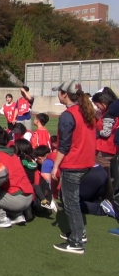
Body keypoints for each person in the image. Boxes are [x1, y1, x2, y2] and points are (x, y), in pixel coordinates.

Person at [50, 79, 97, 254]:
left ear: (64, 94)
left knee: (70, 202)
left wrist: (56, 166)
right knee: (72, 200)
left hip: (74, 163)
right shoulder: (86, 111)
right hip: (87, 162)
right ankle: (79, 233)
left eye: (59, 92)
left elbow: (64, 145)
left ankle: (77, 242)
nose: (58, 95)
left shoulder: (68, 115)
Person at [0, 126, 34, 228]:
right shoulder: (13, 154)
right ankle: (17, 215)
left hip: (16, 199)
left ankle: (0, 217)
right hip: (28, 196)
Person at [92, 92, 117, 188]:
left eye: (97, 105)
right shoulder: (110, 112)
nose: (97, 107)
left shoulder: (108, 114)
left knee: (103, 176)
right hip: (108, 147)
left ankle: (106, 197)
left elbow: (106, 132)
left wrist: (97, 134)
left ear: (103, 102)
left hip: (104, 148)